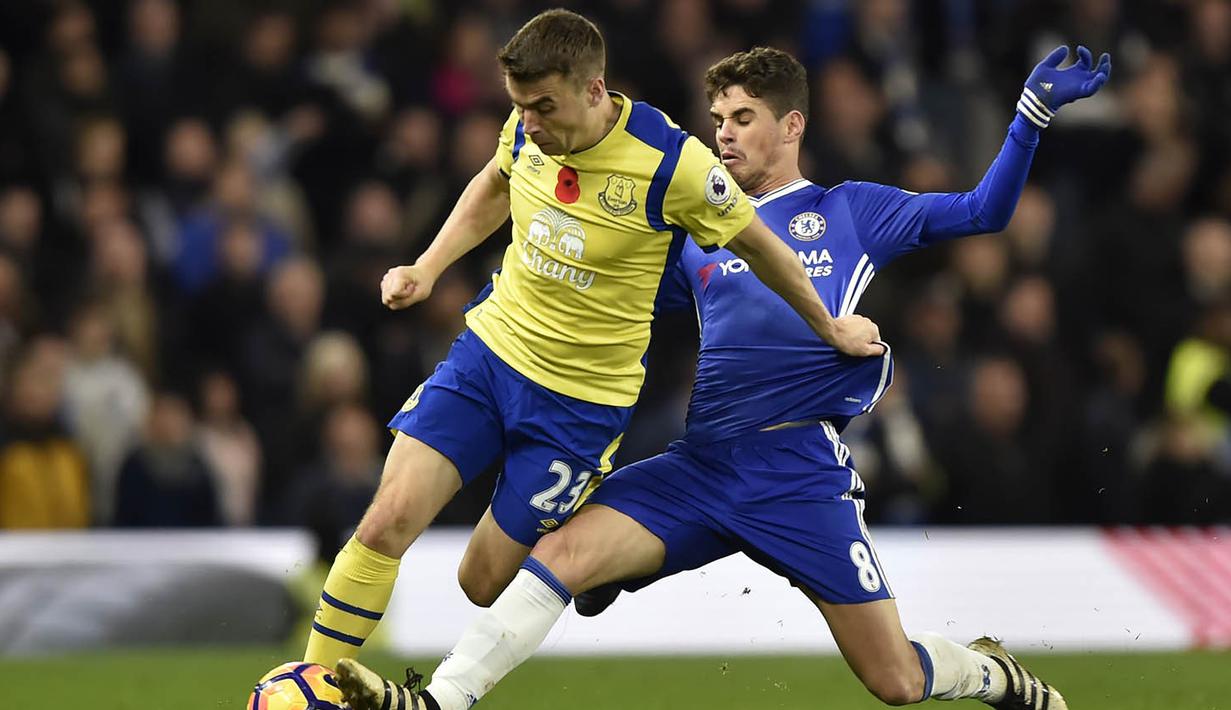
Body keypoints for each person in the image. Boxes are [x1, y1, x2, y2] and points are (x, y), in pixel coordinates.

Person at [335, 44, 1111, 710]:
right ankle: (437, 700)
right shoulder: (699, 231)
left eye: (742, 119)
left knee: (896, 682)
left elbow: (981, 213)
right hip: (701, 462)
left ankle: (990, 675)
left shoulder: (850, 212)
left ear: (791, 126)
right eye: (717, 122)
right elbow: (616, 299)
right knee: (561, 555)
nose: (725, 135)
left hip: (795, 474)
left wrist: (1028, 119)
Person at [303, 10, 883, 674]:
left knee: (481, 582)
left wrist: (827, 325)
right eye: (520, 106)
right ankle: (307, 683)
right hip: (489, 358)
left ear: (593, 89)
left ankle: (600, 563)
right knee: (386, 522)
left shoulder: (672, 163)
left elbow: (760, 244)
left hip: (577, 407)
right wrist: (427, 267)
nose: (530, 123)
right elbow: (495, 183)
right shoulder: (526, 132)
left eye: (544, 106)